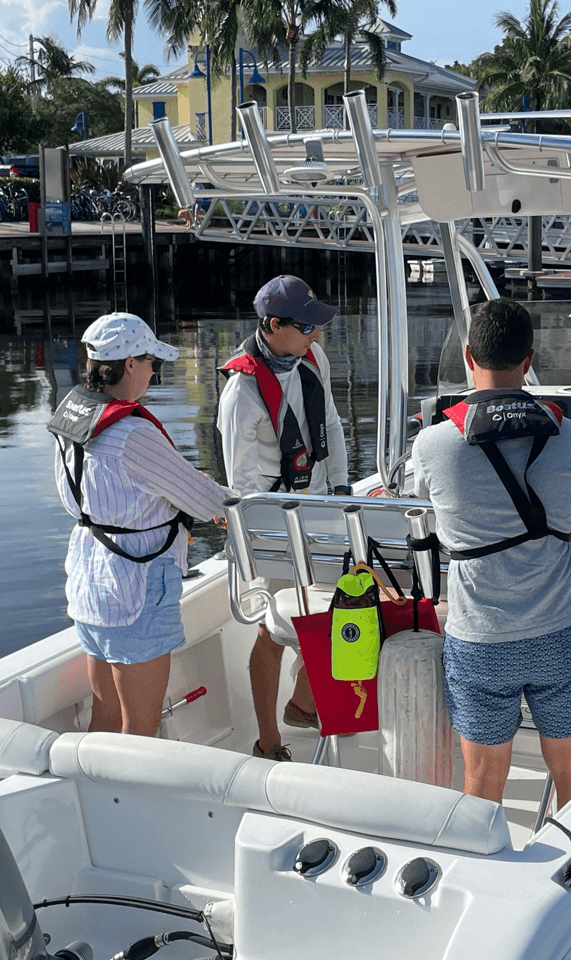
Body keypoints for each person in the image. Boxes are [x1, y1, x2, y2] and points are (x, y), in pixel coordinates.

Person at [411, 298, 571, 804]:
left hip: (480, 641)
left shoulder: (432, 445)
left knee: (482, 783)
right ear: (530, 358)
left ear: (469, 357)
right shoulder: (570, 434)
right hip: (560, 631)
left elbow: (422, 508)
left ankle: (485, 878)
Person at [49, 312, 230, 737]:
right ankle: (132, 804)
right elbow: (201, 500)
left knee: (106, 718)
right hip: (136, 586)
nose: (154, 372)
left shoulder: (71, 419)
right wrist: (231, 502)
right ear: (130, 363)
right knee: (141, 731)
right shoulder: (131, 433)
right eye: (152, 362)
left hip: (91, 582)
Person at [217, 276, 351, 761]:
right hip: (274, 522)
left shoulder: (313, 358)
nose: (316, 336)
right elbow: (243, 487)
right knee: (272, 629)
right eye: (308, 327)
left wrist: (340, 491)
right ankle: (268, 738)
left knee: (335, 614)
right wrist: (266, 544)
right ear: (274, 325)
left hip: (321, 509)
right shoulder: (241, 393)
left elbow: (331, 425)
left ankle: (303, 703)